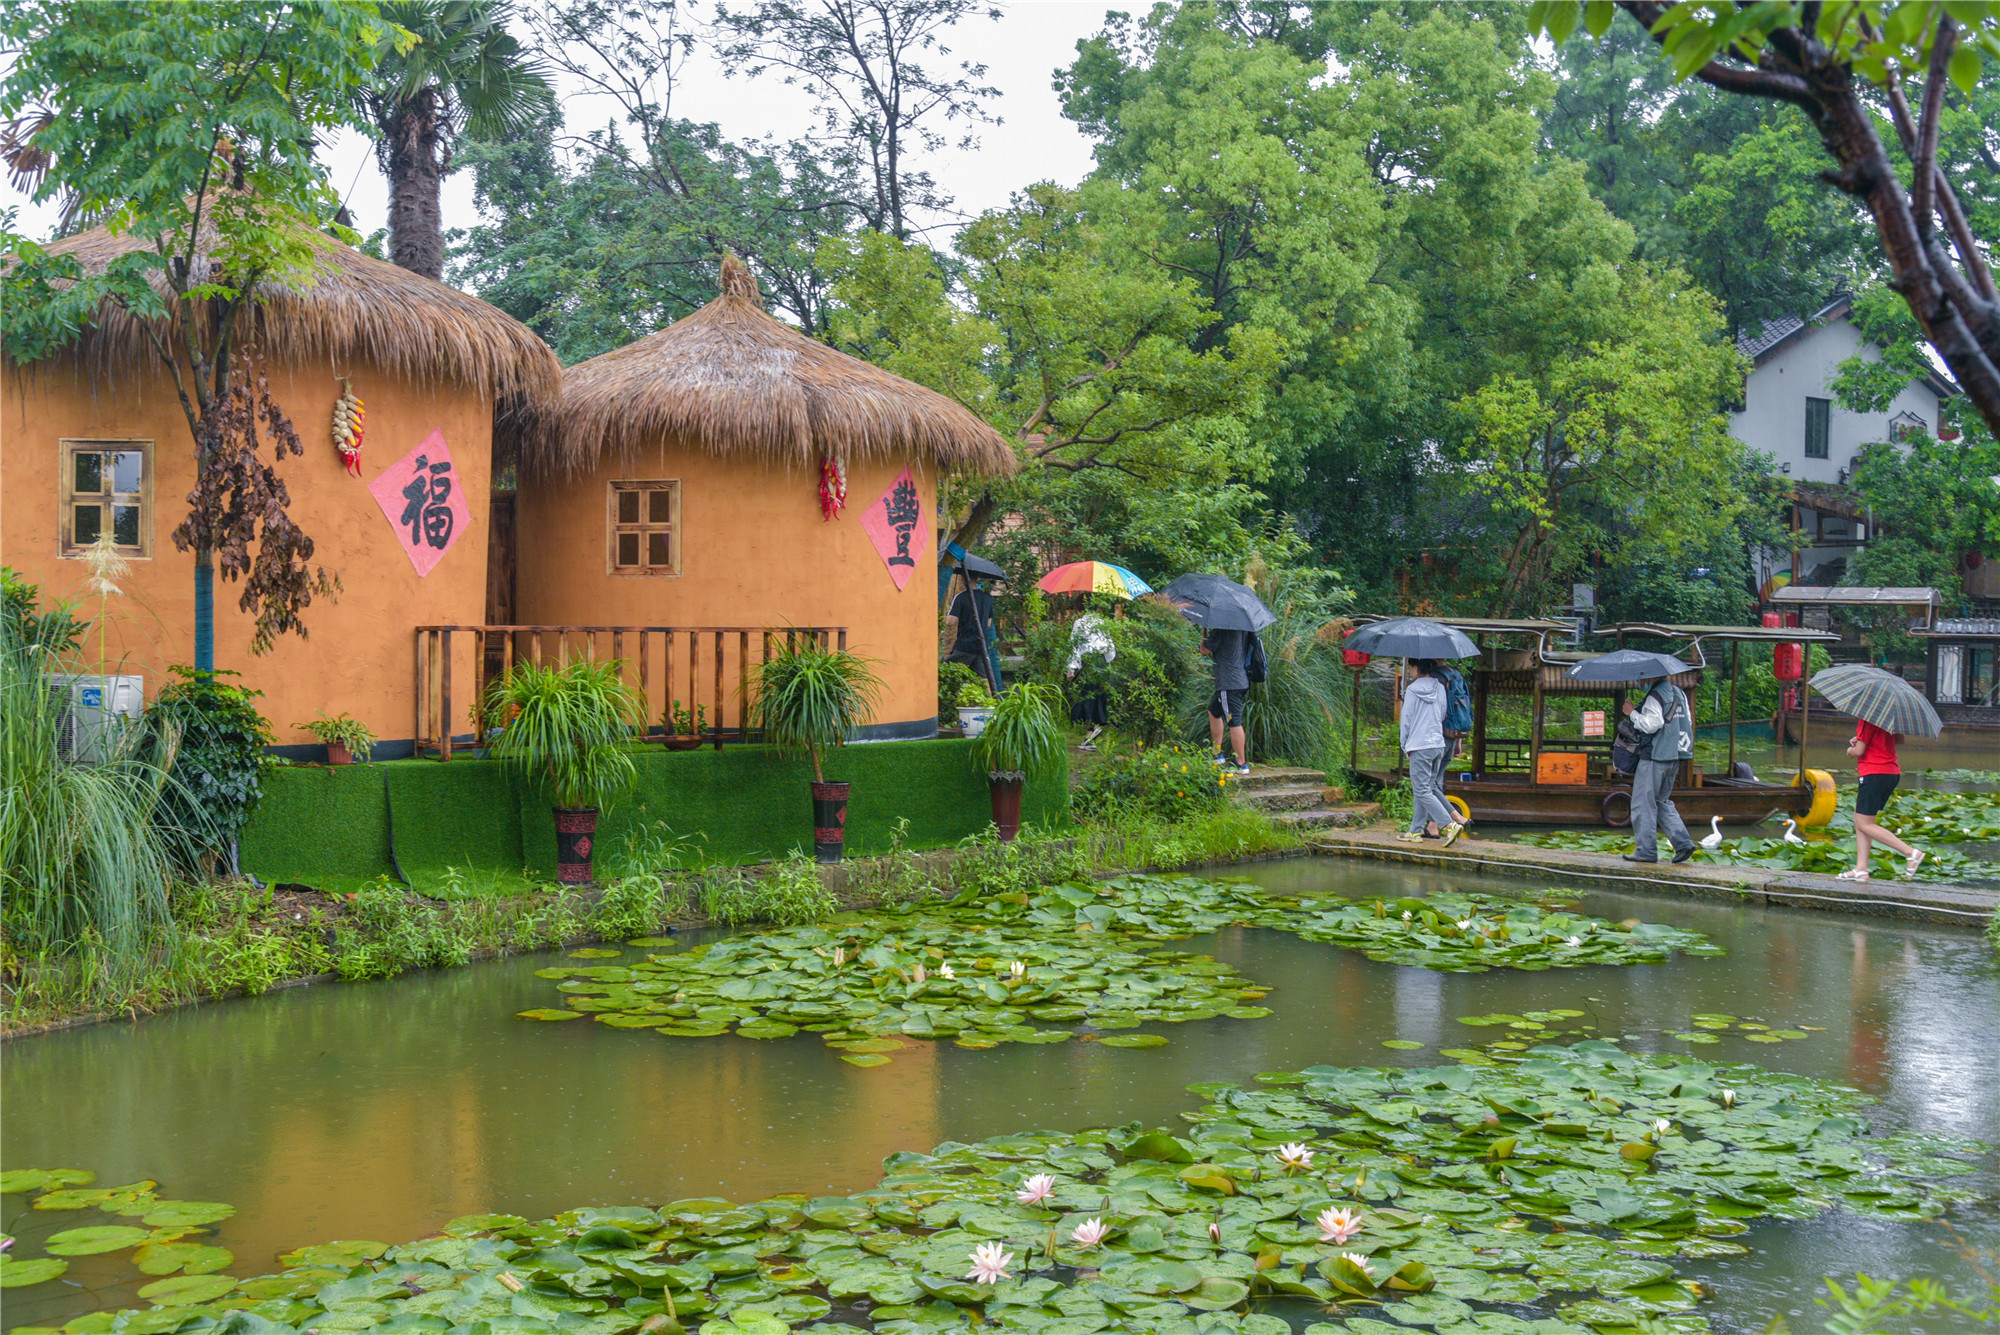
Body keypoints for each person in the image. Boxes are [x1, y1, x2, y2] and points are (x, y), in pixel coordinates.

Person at [1621, 668, 1696, 864]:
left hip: (1655, 756)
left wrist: (1632, 713)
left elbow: (1652, 724)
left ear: (1652, 675)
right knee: (1661, 801)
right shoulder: (1679, 693)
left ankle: (1646, 850)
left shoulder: (1655, 695)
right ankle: (1683, 843)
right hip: (1674, 755)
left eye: (1643, 675)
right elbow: (1687, 721)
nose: (1641, 679)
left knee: (1643, 803)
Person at [1839, 720, 1925, 881]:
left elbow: (1858, 751)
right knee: (1861, 820)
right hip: (1890, 773)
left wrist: (1850, 750)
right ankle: (1861, 869)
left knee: (1864, 823)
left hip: (1874, 772)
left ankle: (1911, 853)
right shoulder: (1889, 719)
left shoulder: (1867, 720)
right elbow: (1899, 740)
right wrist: (1865, 739)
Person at [1396, 659, 1464, 846]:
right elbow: (1442, 715)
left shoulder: (1412, 690)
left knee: (1422, 790)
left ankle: (1450, 825)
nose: (1411, 671)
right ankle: (1415, 831)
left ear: (1417, 668)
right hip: (1437, 745)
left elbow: (1406, 720)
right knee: (1425, 788)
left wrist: (1405, 744)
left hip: (1420, 745)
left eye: (1411, 668)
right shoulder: (1440, 687)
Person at [1201, 626, 1252, 776]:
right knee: (1214, 711)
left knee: (1234, 721)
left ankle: (1240, 763)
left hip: (1229, 684)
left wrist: (1204, 631)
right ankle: (1217, 754)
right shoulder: (1243, 627)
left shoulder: (1222, 628)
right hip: (1241, 680)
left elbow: (1204, 650)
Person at [1063, 612, 1115, 751]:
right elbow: (1110, 647)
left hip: (1088, 662)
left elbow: (1075, 646)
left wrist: (1071, 668)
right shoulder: (1102, 623)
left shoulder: (1079, 623)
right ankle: (1092, 736)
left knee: (1086, 698)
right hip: (1101, 662)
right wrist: (1108, 663)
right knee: (1098, 697)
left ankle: (1090, 735)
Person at [944, 577, 1001, 691]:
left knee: (946, 672)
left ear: (963, 579)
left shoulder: (960, 597)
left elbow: (950, 622)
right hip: (981, 647)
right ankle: (990, 702)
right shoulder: (987, 598)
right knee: (984, 680)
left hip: (964, 647)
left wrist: (947, 613)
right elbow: (988, 624)